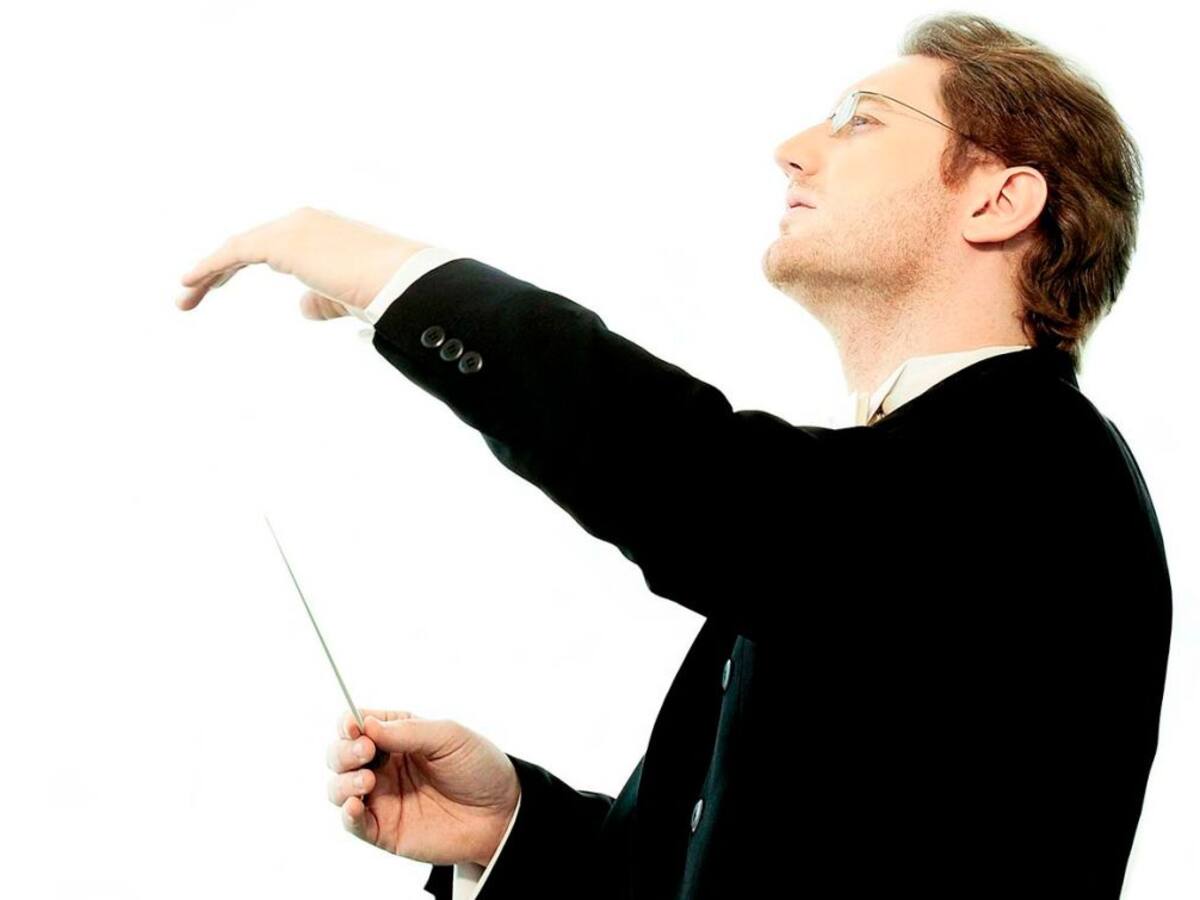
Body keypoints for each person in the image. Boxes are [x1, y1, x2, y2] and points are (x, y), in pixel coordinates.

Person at [176, 12, 1171, 898]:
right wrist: (508, 827)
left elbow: (699, 481)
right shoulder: (863, 518)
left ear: (998, 201)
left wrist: (395, 277)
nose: (792, 152)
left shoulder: (1041, 469)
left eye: (858, 120)